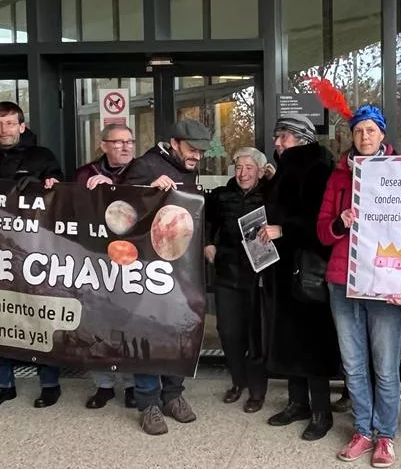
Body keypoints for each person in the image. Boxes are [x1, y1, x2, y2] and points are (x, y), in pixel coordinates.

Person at [317, 106, 401, 467]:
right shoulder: (338, 176)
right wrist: (340, 222)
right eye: (358, 131)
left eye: (371, 130)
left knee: (385, 365)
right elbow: (322, 231)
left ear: (382, 135)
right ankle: (363, 430)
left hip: (385, 282)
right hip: (342, 282)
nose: (364, 137)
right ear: (351, 137)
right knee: (353, 364)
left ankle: (385, 435)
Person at [0, 101, 64, 410]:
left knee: (39, 312)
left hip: (36, 248)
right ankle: (3, 384)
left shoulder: (43, 156)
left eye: (10, 123)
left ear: (22, 126)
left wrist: (45, 185)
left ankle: (50, 384)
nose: (4, 129)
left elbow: (61, 192)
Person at [121, 118, 212, 434]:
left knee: (179, 331)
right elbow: (119, 209)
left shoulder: (187, 168)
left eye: (201, 151)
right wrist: (145, 191)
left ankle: (173, 394)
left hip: (181, 267)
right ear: (173, 142)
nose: (196, 156)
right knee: (149, 332)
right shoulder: (145, 165)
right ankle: (148, 403)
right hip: (148, 268)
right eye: (191, 149)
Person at [259, 113, 341, 441]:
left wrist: (284, 229)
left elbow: (320, 222)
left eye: (284, 136)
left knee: (311, 341)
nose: (277, 142)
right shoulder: (290, 166)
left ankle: (321, 411)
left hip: (306, 268)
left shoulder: (317, 168)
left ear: (302, 138)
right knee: (291, 338)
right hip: (285, 266)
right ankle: (297, 402)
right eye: (278, 136)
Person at [75, 123, 137, 410]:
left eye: (129, 142)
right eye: (118, 142)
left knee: (130, 324)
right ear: (104, 145)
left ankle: (133, 385)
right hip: (95, 261)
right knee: (97, 324)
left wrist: (113, 190)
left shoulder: (141, 171)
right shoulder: (86, 173)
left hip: (133, 263)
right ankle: (104, 385)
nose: (125, 147)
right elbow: (71, 212)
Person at [204, 146, 269, 413]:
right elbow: (206, 222)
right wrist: (207, 243)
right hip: (227, 272)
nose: (242, 173)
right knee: (229, 332)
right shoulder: (221, 195)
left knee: (256, 334)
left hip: (260, 275)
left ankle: (257, 390)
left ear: (260, 171)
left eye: (249, 168)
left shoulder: (270, 193)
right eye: (239, 167)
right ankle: (237, 382)